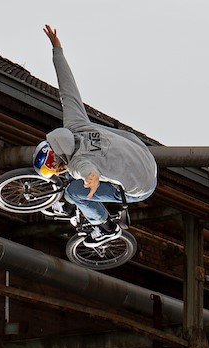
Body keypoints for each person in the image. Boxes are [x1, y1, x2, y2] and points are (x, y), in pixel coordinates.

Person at [36, 24, 158, 245]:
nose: (57, 168)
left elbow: (87, 170)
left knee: (74, 192)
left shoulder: (77, 164)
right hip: (144, 156)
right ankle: (76, 204)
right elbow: (67, 89)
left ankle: (105, 227)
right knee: (89, 171)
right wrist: (57, 50)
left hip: (141, 186)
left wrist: (91, 180)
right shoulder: (75, 124)